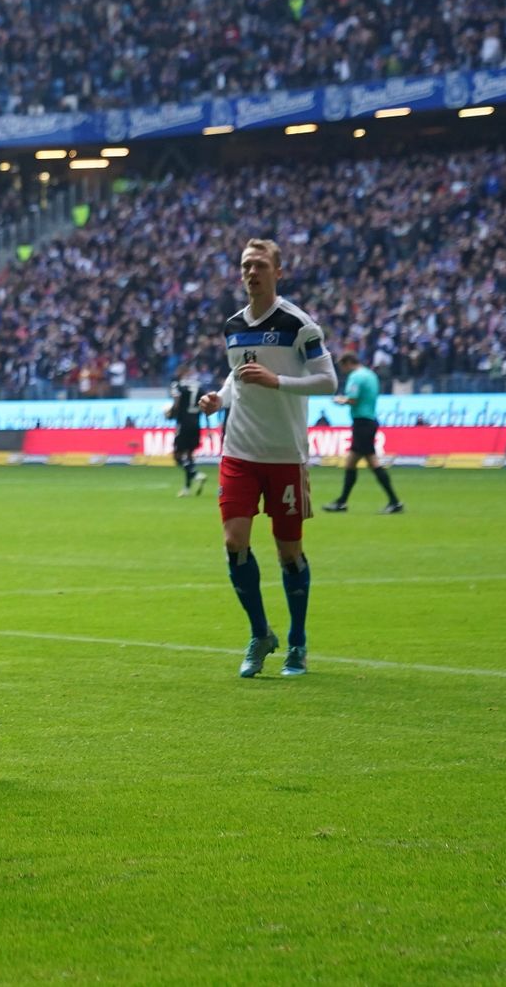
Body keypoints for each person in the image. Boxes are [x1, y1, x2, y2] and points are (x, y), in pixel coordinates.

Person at [197, 239, 338, 680]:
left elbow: (328, 381)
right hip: (239, 449)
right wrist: (220, 397)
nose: (251, 272)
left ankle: (297, 641)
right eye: (245, 265)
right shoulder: (234, 325)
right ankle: (260, 634)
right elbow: (237, 373)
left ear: (279, 271)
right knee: (234, 541)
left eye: (259, 265)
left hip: (285, 454)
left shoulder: (300, 325)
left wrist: (278, 381)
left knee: (288, 550)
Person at [324, 352, 403, 514]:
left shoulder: (356, 377)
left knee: (371, 461)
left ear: (348, 363)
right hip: (369, 421)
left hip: (362, 423)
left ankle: (394, 501)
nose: (343, 370)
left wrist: (340, 400)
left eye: (342, 367)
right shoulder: (370, 375)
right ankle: (342, 501)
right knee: (352, 462)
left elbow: (353, 399)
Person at [166, 372, 207, 497]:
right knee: (189, 457)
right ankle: (187, 488)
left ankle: (195, 474)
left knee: (177, 457)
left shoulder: (177, 385)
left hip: (183, 424)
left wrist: (171, 413)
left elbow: (177, 401)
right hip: (196, 424)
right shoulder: (199, 386)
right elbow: (205, 404)